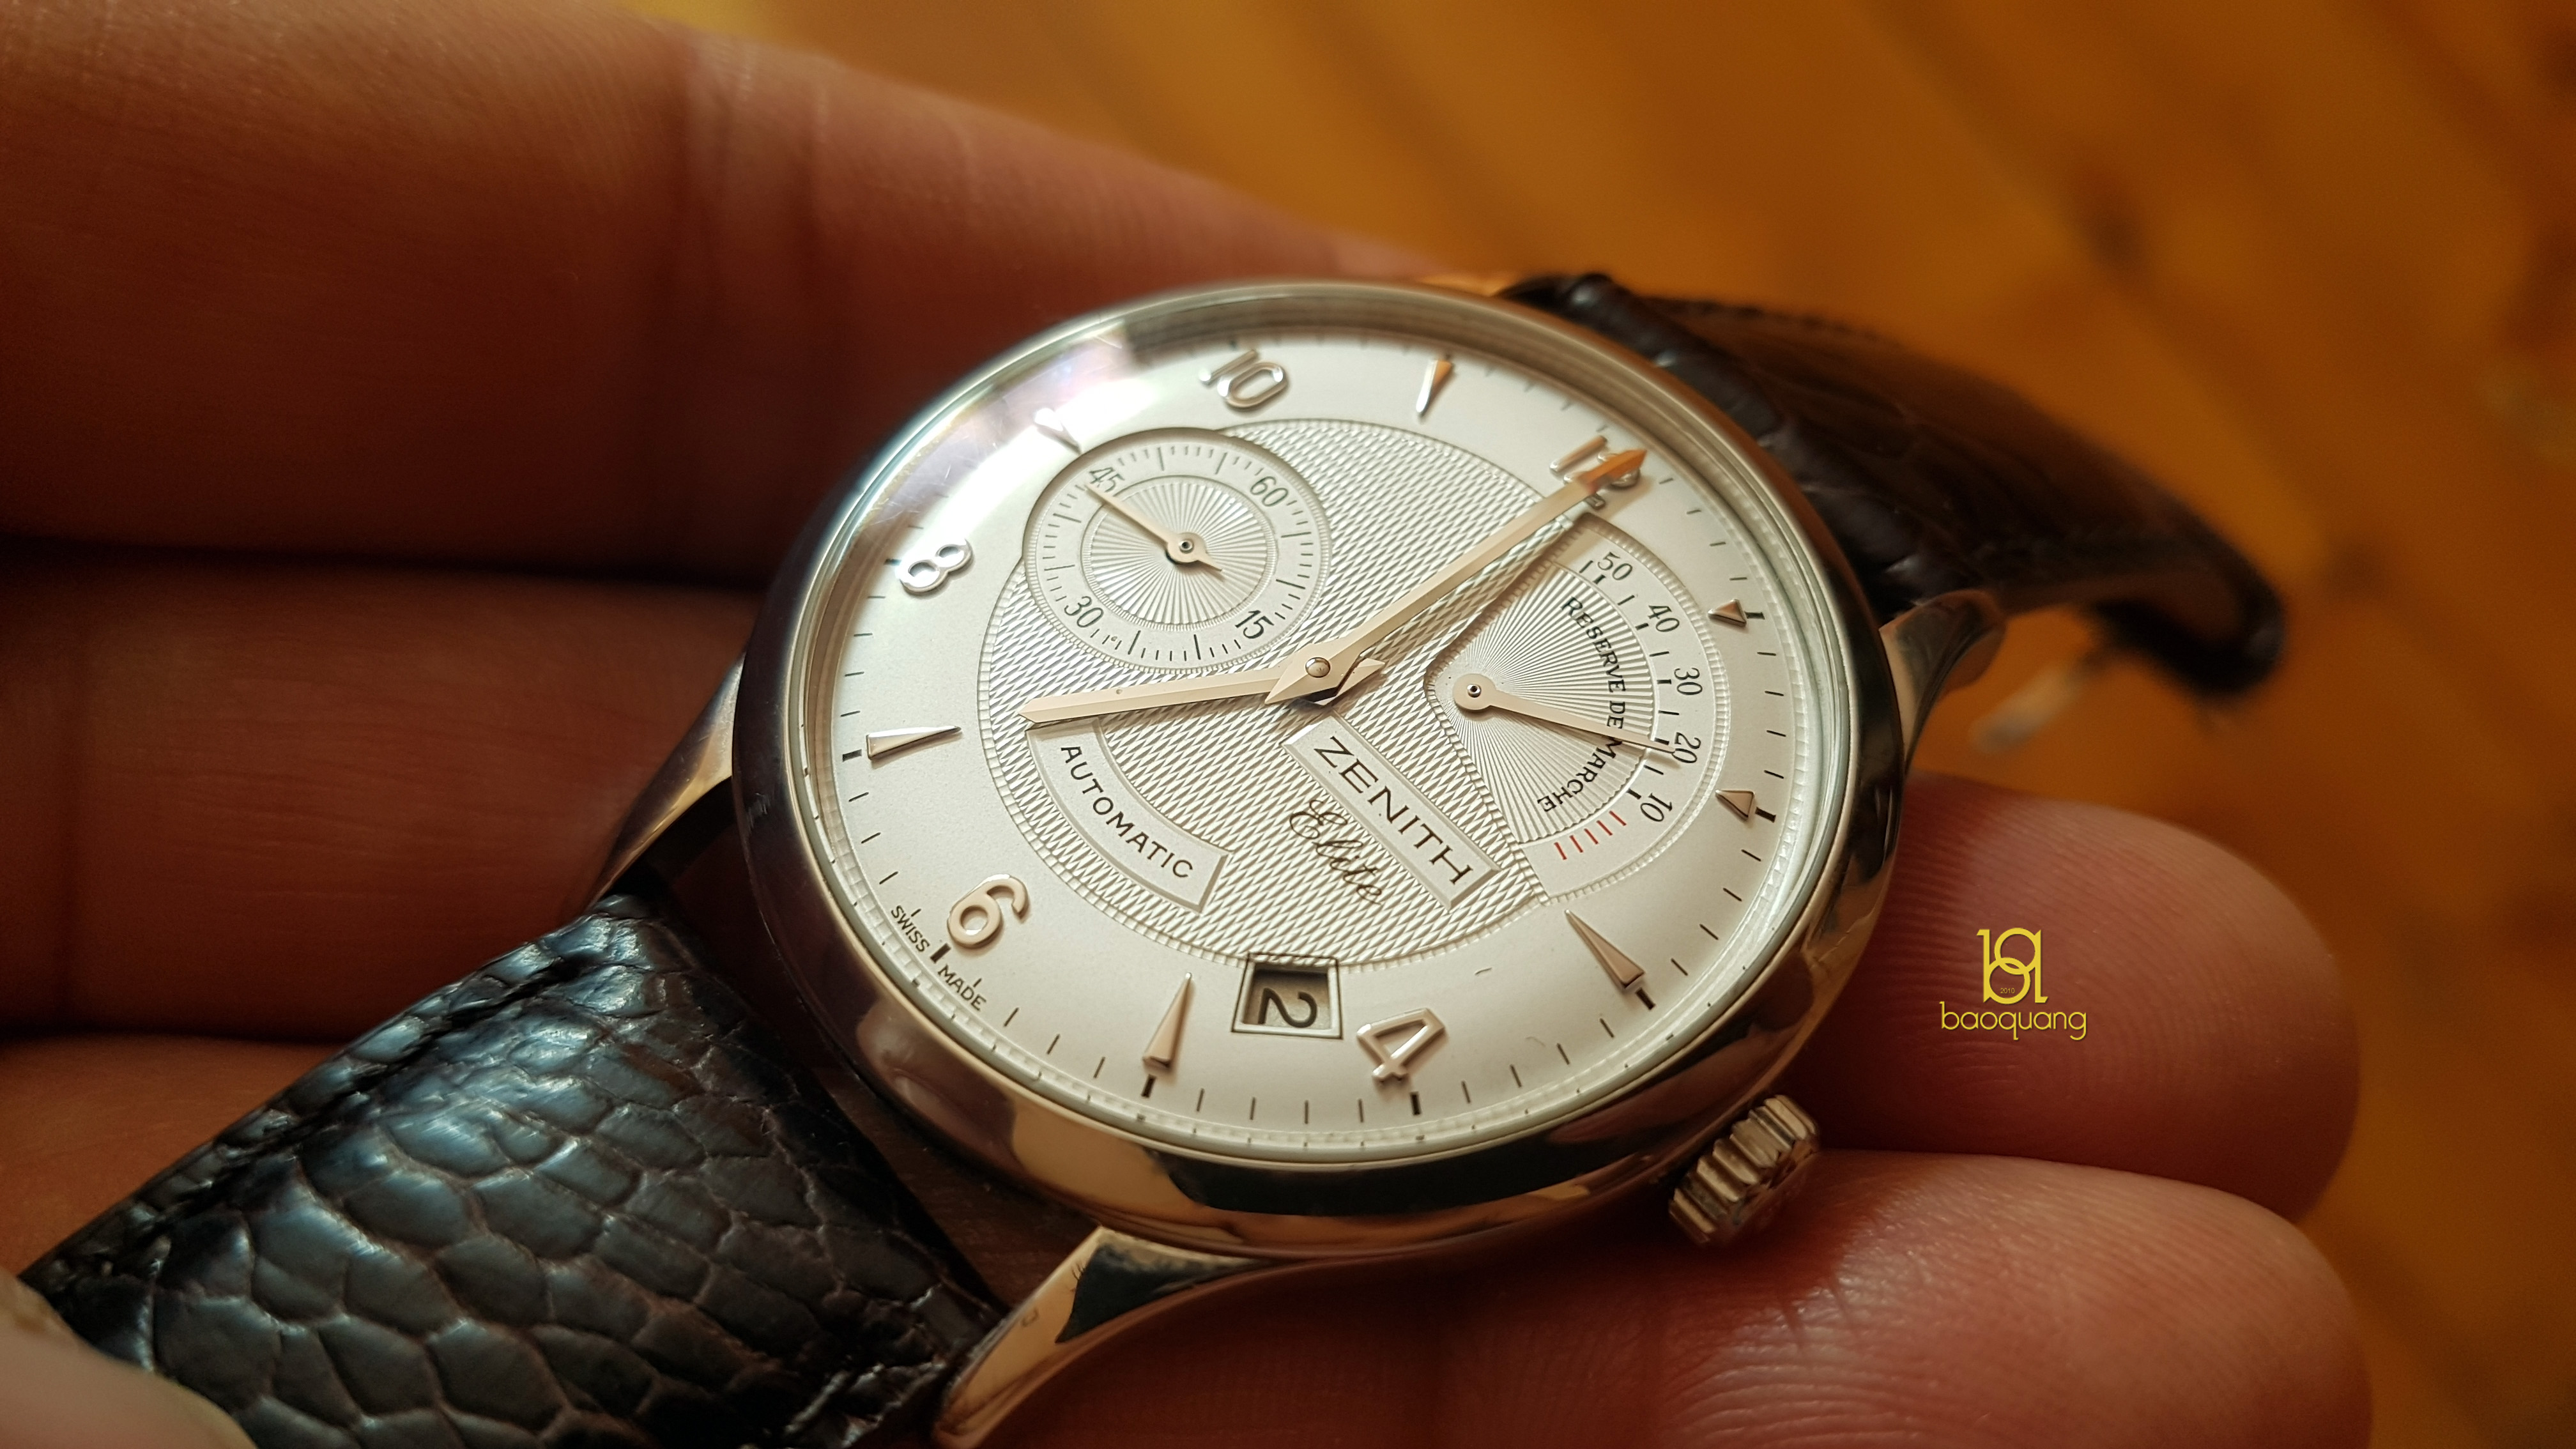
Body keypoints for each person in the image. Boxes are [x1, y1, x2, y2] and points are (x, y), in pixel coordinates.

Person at [0, 0, 2367, 1443]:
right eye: (1325, 657)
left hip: (989, 1094)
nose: (1337, 675)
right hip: (766, 886)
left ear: (1704, 1104)